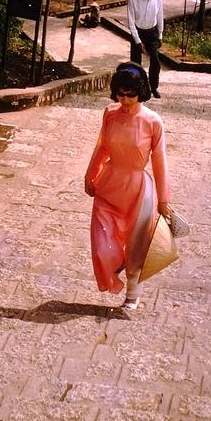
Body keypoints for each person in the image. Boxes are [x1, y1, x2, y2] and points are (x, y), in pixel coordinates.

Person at [84, 62, 170, 309]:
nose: (125, 99)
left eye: (131, 94)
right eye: (121, 93)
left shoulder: (153, 121)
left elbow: (160, 161)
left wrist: (163, 201)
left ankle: (133, 293)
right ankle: (114, 267)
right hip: (109, 184)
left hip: (138, 190)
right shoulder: (110, 113)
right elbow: (102, 146)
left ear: (141, 91)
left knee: (137, 244)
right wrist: (90, 175)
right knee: (102, 246)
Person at [127, 0, 164, 98]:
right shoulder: (132, 0)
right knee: (136, 64)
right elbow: (131, 23)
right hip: (138, 33)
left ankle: (153, 87)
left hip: (152, 33)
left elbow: (160, 17)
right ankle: (137, 89)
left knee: (155, 61)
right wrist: (138, 41)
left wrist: (160, 35)